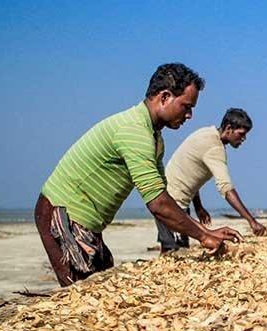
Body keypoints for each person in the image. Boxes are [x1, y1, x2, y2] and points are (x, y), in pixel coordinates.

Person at [35, 63, 241, 287]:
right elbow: (158, 204)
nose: (189, 115)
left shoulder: (154, 138)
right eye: (186, 106)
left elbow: (164, 195)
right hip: (64, 214)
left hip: (88, 223)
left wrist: (206, 231)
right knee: (82, 294)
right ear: (164, 97)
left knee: (104, 289)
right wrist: (203, 236)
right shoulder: (135, 132)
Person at [156, 108, 267, 253]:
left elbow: (191, 175)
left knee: (178, 250)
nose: (243, 139)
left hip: (173, 198)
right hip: (170, 202)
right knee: (172, 251)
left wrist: (199, 207)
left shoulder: (206, 133)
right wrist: (252, 222)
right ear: (228, 128)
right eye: (241, 134)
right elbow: (226, 189)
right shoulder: (215, 148)